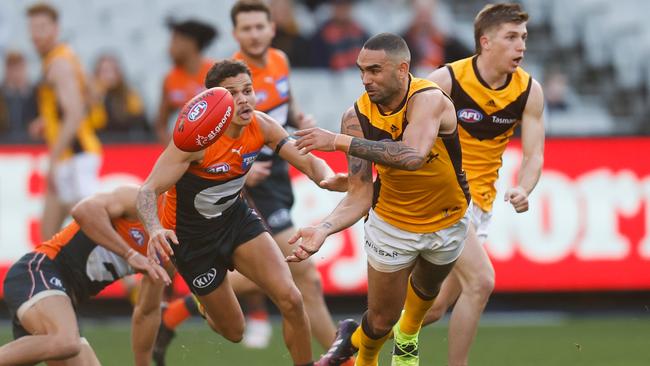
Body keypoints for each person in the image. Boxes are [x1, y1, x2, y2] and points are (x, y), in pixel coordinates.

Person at [154, 0, 344, 360]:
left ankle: (329, 356)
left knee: (294, 290)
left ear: (273, 29)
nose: (255, 34)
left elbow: (289, 123)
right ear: (235, 35)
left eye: (261, 26)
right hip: (232, 199)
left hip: (265, 185)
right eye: (247, 28)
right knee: (297, 282)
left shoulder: (279, 66)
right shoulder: (215, 97)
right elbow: (158, 181)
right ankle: (340, 354)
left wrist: (317, 152)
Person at [287, 33, 471, 366]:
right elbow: (359, 194)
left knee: (428, 295)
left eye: (374, 70)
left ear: (403, 69)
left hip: (449, 217)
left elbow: (413, 155)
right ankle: (364, 356)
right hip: (392, 224)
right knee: (382, 318)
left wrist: (339, 142)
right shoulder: (356, 117)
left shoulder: (428, 98)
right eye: (362, 71)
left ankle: (408, 335)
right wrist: (323, 229)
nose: (365, 80)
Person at [419, 4, 545, 366]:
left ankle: (357, 340)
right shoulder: (446, 81)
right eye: (511, 37)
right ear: (485, 42)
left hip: (480, 206)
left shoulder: (528, 91)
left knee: (435, 307)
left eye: (523, 37)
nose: (520, 45)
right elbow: (404, 127)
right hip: (443, 196)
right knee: (481, 282)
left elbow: (535, 155)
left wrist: (525, 187)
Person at [0, 185, 172, 366]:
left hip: (62, 299)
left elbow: (147, 312)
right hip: (38, 272)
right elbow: (83, 210)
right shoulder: (140, 200)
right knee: (66, 342)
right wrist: (130, 254)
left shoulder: (171, 248)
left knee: (65, 343)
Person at [27, 3, 102, 241]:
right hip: (73, 155)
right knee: (51, 235)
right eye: (32, 28)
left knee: (97, 232)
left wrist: (52, 159)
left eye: (42, 27)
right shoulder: (65, 58)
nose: (36, 34)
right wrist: (47, 121)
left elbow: (74, 113)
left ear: (55, 29)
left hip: (74, 156)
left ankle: (142, 271)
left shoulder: (59, 63)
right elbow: (91, 97)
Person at [155, 19, 217, 144]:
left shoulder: (216, 73)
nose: (169, 49)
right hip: (190, 150)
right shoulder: (170, 79)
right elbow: (161, 123)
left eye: (174, 41)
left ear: (190, 43)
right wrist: (173, 150)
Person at [401, 0, 471, 74]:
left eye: (428, 15)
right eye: (421, 15)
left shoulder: (446, 41)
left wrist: (446, 40)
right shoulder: (404, 42)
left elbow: (469, 58)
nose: (424, 21)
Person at [90, 53, 148, 141]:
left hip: (125, 145)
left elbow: (141, 121)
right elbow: (95, 124)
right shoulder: (91, 97)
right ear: (97, 74)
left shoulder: (129, 95)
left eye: (112, 70)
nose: (109, 76)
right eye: (105, 71)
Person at [310, 0, 369, 71]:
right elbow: (317, 66)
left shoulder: (362, 34)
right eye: (338, 5)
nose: (342, 9)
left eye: (345, 5)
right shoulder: (320, 36)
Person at [0, 50, 38, 141]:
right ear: (7, 70)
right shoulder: (2, 96)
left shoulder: (36, 94)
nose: (16, 73)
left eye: (18, 68)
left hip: (31, 144)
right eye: (12, 69)